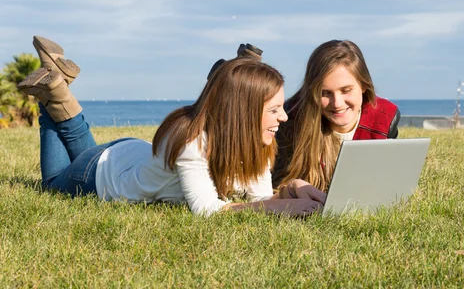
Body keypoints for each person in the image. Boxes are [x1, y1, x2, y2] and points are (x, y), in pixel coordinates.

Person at [18, 36, 325, 216]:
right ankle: (53, 93)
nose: (283, 118)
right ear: (242, 114)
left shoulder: (254, 141)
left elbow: (256, 199)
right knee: (52, 183)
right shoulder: (194, 141)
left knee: (82, 153)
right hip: (99, 177)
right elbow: (207, 211)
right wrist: (275, 209)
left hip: (127, 155)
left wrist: (292, 189)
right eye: (273, 110)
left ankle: (56, 84)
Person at [272, 40, 401, 191]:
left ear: (364, 85)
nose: (337, 103)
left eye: (346, 90)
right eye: (325, 93)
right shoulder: (289, 119)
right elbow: (275, 183)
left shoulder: (385, 118)